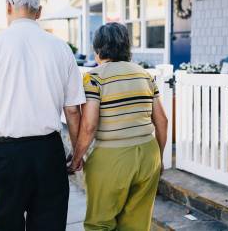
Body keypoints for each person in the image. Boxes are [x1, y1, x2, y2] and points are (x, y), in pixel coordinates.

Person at [0, 0, 85, 231]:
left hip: (5, 156)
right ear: (39, 12)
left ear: (8, 7)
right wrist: (76, 153)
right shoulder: (61, 48)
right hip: (48, 153)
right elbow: (73, 110)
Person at [69, 22, 168, 231]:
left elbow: (89, 126)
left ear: (98, 49)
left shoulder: (95, 77)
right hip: (149, 155)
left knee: (99, 224)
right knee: (136, 225)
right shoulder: (144, 74)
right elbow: (162, 121)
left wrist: (77, 158)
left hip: (112, 158)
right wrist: (159, 156)